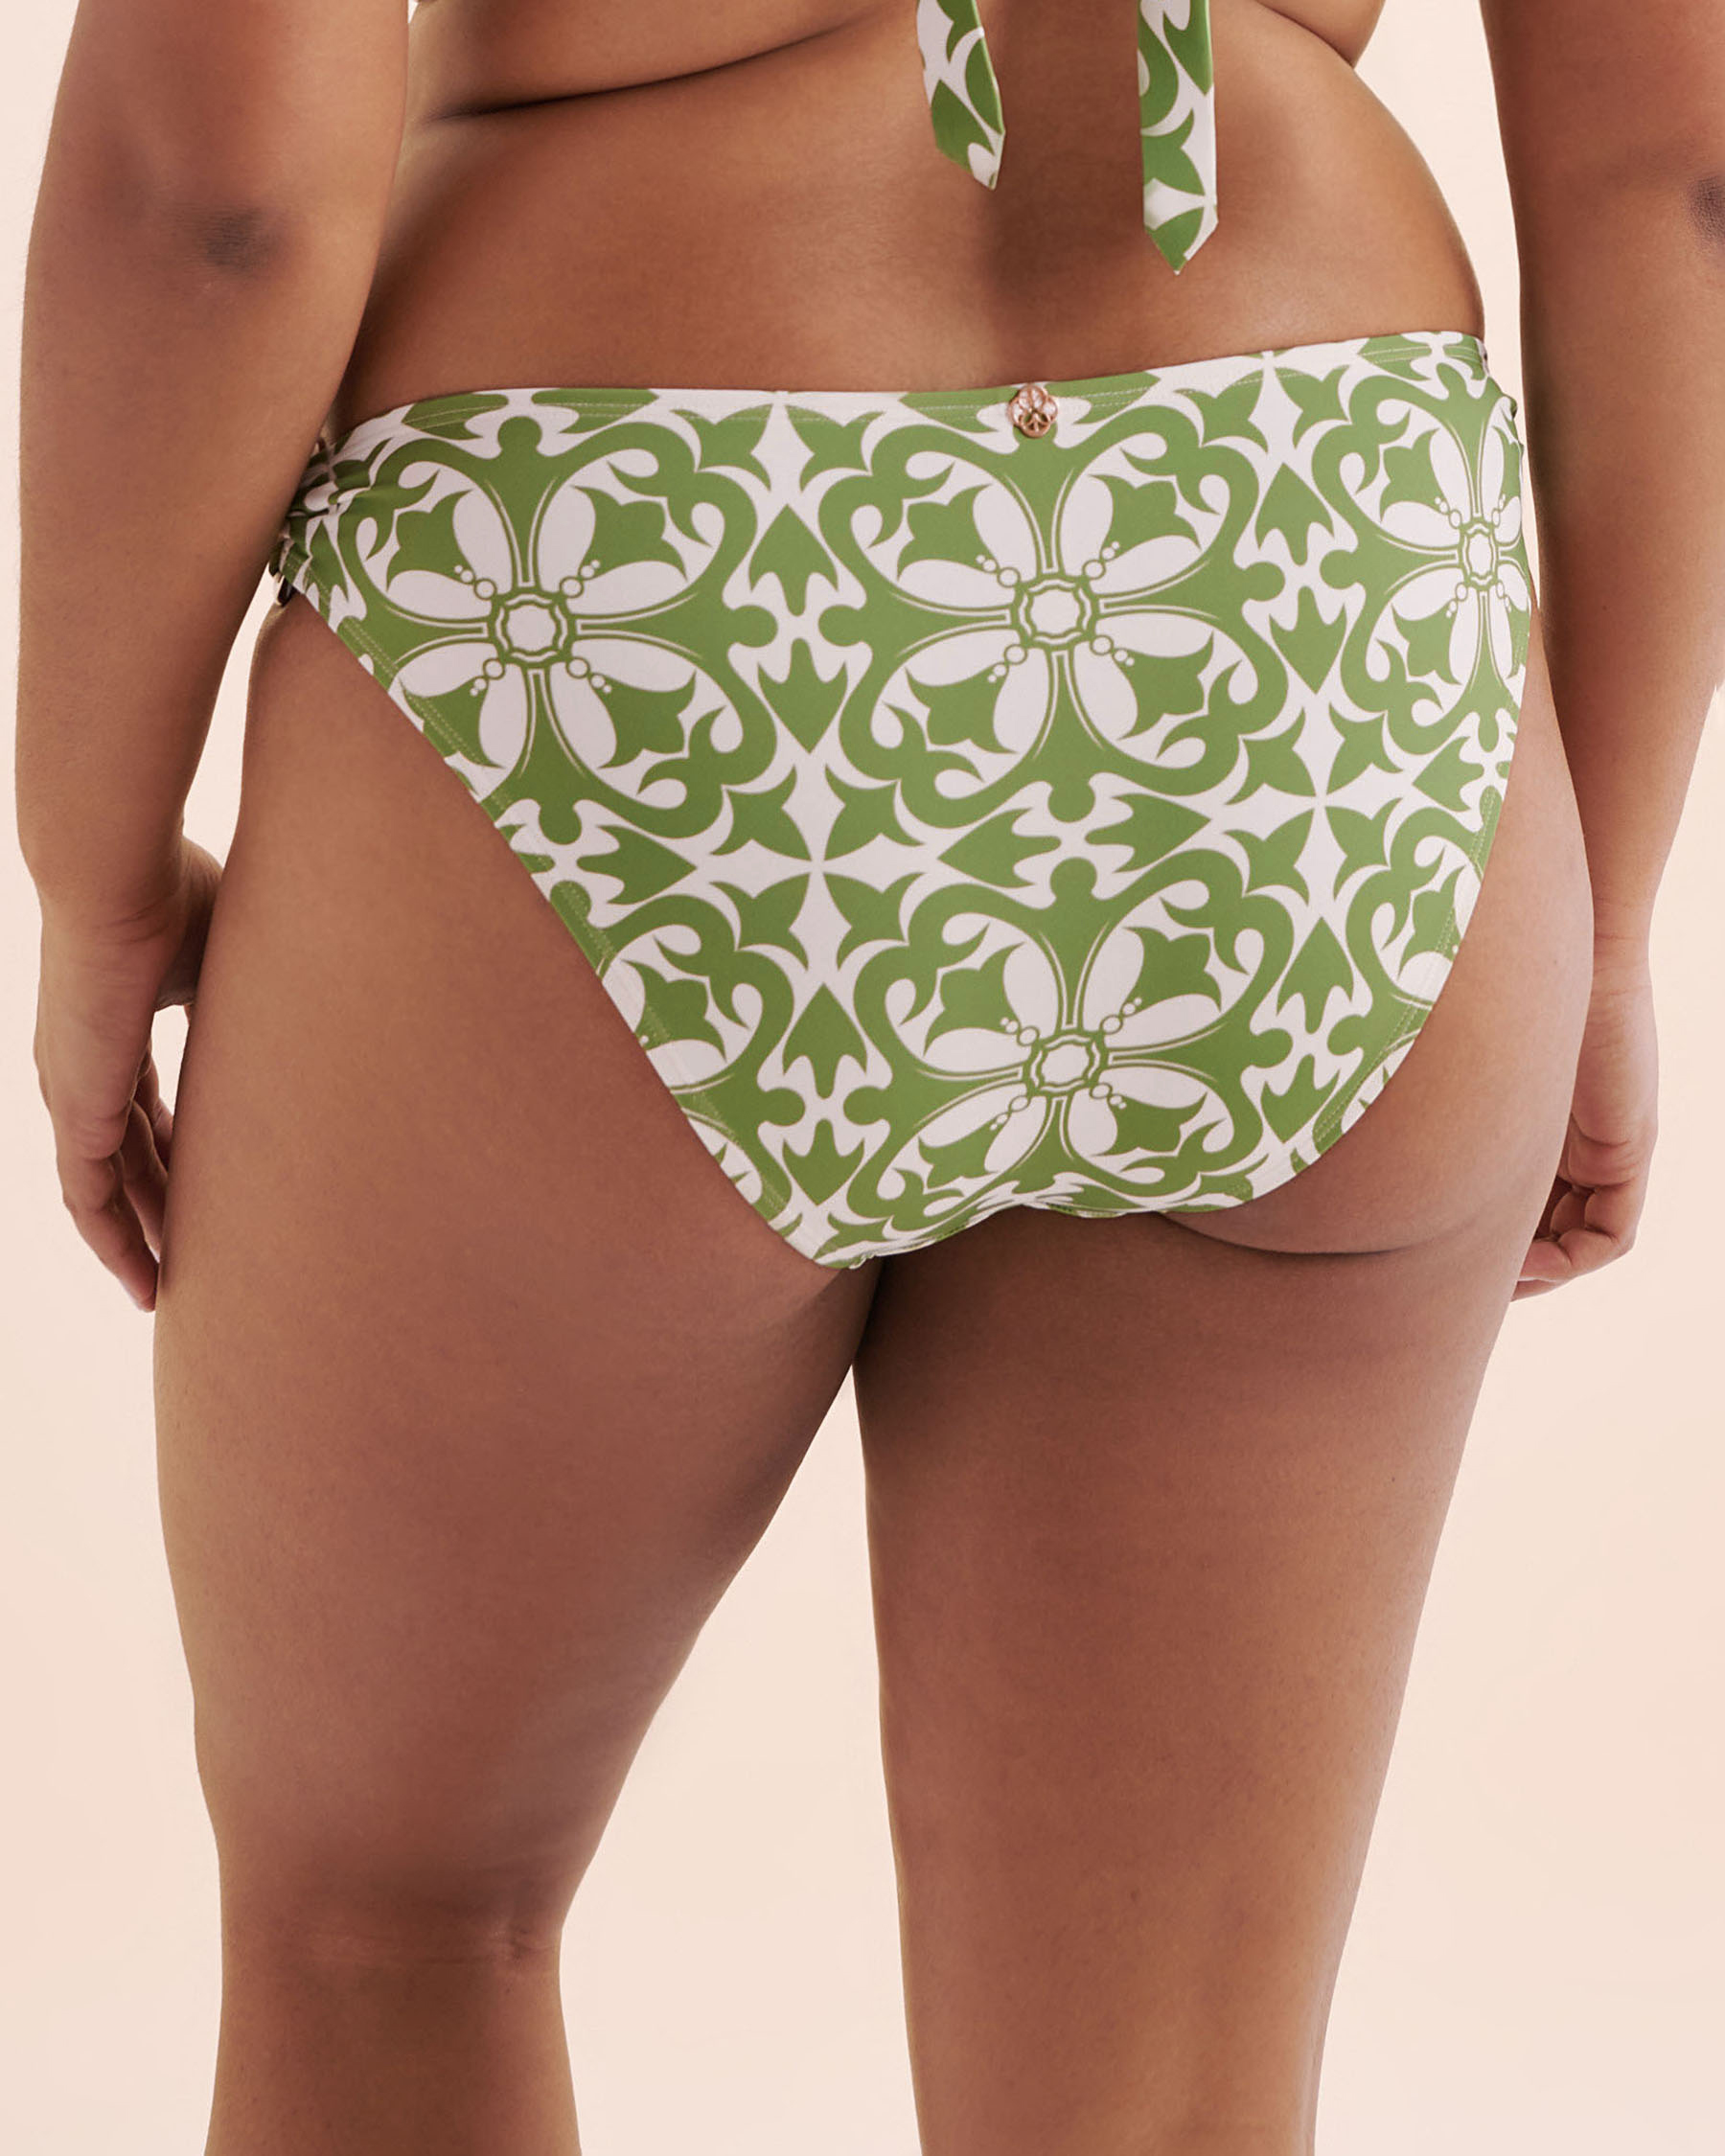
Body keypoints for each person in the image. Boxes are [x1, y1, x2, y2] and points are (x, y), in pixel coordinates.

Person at [14, 1, 1722, 2149]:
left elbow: (221, 196)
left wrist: (93, 877)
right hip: (1313, 598)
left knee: (391, 1936)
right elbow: (1685, 173)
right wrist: (1609, 903)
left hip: (629, 581)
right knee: (1161, 2116)